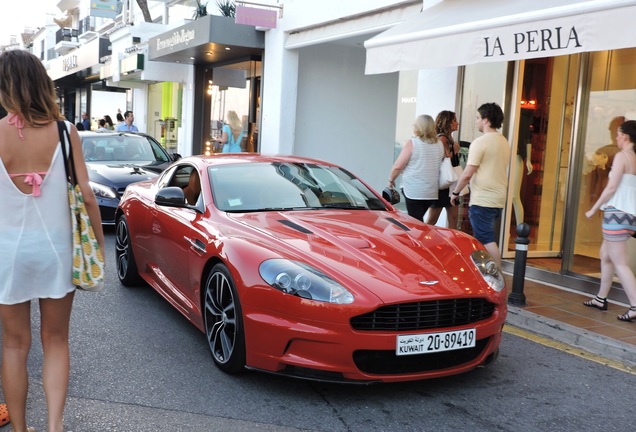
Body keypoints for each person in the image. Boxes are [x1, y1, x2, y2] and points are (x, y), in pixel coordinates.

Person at [0, 49, 105, 432]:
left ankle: (21, 429)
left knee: (14, 346)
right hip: (57, 250)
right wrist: (98, 244)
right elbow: (89, 196)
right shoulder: (65, 131)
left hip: (7, 254)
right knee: (56, 340)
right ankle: (55, 427)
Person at [583, 120, 636, 322]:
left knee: (620, 263)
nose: (616, 137)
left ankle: (634, 305)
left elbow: (611, 188)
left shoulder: (623, 156)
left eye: (618, 134)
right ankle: (600, 298)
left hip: (617, 213)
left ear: (625, 136)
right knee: (605, 254)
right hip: (629, 215)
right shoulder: (635, 157)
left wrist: (594, 209)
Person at [450, 103, 511, 269]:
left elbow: (468, 173)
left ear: (486, 120)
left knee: (485, 238)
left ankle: (497, 275)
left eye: (478, 118)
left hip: (483, 199)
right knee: (487, 236)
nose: (476, 121)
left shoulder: (480, 142)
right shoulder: (503, 141)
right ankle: (491, 273)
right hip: (497, 198)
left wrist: (455, 192)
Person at [388, 114, 444, 222]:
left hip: (414, 190)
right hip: (431, 191)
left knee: (415, 224)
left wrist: (391, 180)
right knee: (417, 221)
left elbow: (398, 166)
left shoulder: (413, 142)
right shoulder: (439, 144)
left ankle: (414, 238)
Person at [426, 110, 460, 229]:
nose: (458, 123)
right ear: (447, 123)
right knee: (432, 220)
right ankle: (420, 241)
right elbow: (442, 158)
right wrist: (454, 151)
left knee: (454, 218)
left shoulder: (448, 138)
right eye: (454, 120)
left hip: (450, 185)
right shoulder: (442, 139)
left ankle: (452, 244)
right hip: (444, 185)